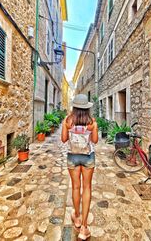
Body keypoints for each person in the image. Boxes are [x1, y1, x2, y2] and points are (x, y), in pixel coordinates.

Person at [61, 94, 98, 240]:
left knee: (76, 187)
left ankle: (76, 216)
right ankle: (84, 228)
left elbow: (63, 140)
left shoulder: (68, 121)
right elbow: (94, 140)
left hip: (73, 157)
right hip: (88, 157)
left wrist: (67, 128)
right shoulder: (92, 122)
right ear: (87, 107)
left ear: (74, 106)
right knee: (87, 188)